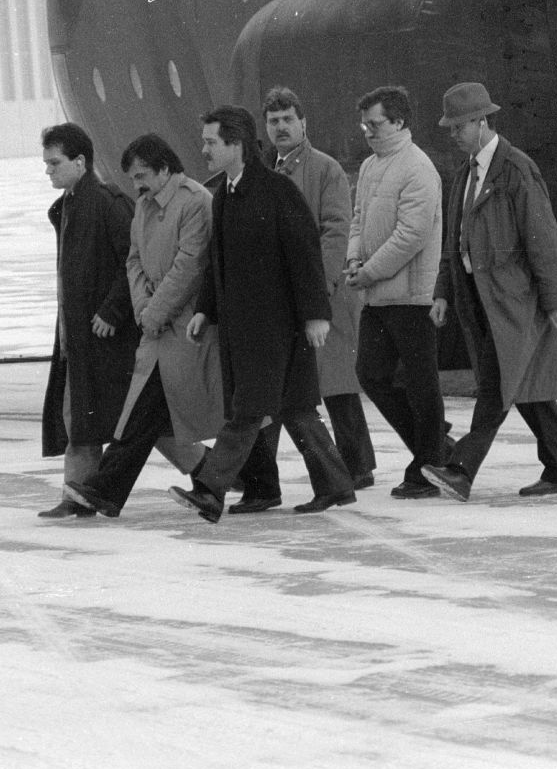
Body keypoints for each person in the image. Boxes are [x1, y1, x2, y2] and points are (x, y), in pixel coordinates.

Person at [170, 105, 356, 523]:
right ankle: (335, 484)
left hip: (277, 329)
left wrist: (315, 315)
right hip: (244, 330)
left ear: (236, 144)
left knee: (247, 411)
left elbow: (305, 255)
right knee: (296, 409)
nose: (204, 150)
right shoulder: (225, 195)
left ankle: (211, 490)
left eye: (211, 142)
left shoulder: (276, 191)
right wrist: (205, 310)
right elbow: (218, 264)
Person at [422, 82, 557, 501]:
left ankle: (461, 469)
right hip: (479, 298)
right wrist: (443, 292)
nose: (453, 134)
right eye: (450, 127)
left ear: (482, 122)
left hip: (516, 300)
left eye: (459, 126)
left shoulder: (516, 169)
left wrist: (555, 299)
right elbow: (453, 243)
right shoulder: (464, 175)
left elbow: (541, 237)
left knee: (495, 383)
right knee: (523, 383)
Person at [62, 133, 224, 517]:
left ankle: (105, 491)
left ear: (165, 169)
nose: (136, 185)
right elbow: (133, 260)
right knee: (146, 415)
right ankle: (234, 476)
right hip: (155, 327)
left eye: (142, 175)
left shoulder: (195, 201)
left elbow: (189, 266)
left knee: (141, 415)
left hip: (183, 328)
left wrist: (153, 314)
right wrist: (142, 308)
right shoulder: (144, 207)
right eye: (133, 178)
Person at [236, 86, 377, 506]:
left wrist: (322, 286)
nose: (280, 128)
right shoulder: (266, 171)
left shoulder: (325, 169)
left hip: (322, 293)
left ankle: (357, 465)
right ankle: (341, 467)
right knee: (298, 387)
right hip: (288, 298)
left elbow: (336, 230)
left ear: (303, 123)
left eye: (287, 120)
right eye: (273, 122)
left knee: (334, 382)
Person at [345, 85, 449, 499]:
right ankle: (434, 449)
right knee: (371, 374)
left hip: (412, 296)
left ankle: (427, 465)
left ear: (400, 122)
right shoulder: (371, 167)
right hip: (378, 293)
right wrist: (355, 259)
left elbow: (411, 235)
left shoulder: (418, 168)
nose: (368, 131)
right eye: (365, 124)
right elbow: (358, 219)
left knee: (422, 383)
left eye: (376, 123)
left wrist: (368, 272)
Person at [37, 124, 140, 517]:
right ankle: (75, 496)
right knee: (83, 418)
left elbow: (134, 259)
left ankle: (216, 472)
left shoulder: (107, 203)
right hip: (80, 334)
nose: (48, 170)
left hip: (102, 335)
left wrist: (112, 311)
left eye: (55, 163)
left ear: (80, 162)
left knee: (132, 424)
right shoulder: (72, 205)